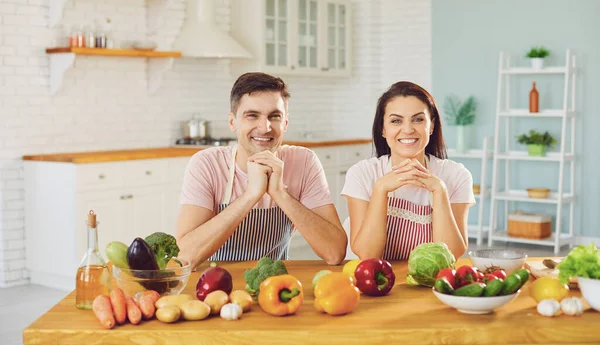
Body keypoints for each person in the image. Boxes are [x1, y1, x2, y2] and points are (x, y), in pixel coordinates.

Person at [176, 72, 347, 269]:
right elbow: (185, 256)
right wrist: (251, 195)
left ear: (285, 123)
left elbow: (334, 253)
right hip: (214, 287)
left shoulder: (303, 161)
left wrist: (280, 194)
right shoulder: (207, 164)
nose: (265, 127)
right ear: (233, 122)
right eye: (252, 115)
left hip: (275, 285)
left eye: (274, 116)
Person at [341, 81, 475, 260]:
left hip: (428, 282)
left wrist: (440, 191)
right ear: (383, 128)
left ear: (432, 126)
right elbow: (367, 254)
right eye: (396, 121)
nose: (408, 129)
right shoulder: (362, 174)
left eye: (418, 119)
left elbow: (451, 255)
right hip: (374, 280)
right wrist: (380, 189)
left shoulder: (456, 175)